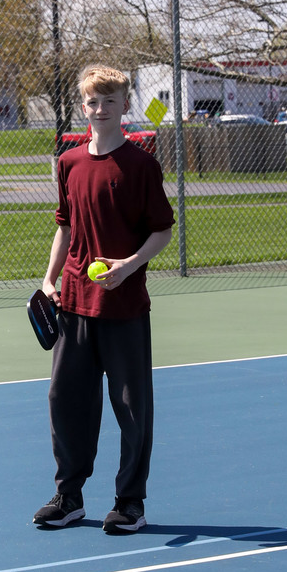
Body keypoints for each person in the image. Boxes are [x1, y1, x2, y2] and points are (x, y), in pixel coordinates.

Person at [33, 64, 175, 534]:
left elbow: (162, 231)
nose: (100, 109)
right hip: (73, 304)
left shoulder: (141, 165)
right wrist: (49, 279)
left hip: (124, 307)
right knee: (65, 399)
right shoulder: (69, 163)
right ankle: (69, 497)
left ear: (124, 105)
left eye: (109, 101)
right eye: (93, 102)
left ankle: (130, 502)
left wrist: (128, 266)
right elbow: (65, 227)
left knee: (132, 407)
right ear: (83, 106)